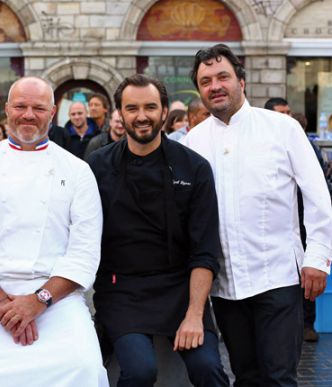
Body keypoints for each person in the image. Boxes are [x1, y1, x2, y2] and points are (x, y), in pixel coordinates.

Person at [183, 43, 332, 386]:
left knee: (279, 376)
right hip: (226, 285)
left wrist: (318, 258)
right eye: (206, 81)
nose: (215, 86)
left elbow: (317, 196)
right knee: (246, 376)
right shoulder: (194, 142)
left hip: (277, 276)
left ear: (241, 81)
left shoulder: (283, 129)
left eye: (223, 76)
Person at [0, 76, 108, 386]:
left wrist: (37, 302)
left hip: (57, 301)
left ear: (52, 112)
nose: (28, 114)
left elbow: (84, 251)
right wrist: (4, 306)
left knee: (84, 369)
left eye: (38, 107)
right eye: (20, 106)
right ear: (6, 109)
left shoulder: (76, 171)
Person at [88, 74, 229, 387]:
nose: (142, 116)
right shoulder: (97, 167)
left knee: (209, 370)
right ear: (120, 114)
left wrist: (194, 315)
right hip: (121, 291)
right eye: (132, 108)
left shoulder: (194, 167)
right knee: (140, 371)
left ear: (164, 111)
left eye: (150, 107)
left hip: (181, 291)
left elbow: (205, 252)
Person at [268, 104, 327, 343]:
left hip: (302, 221)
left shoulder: (304, 143)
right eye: (281, 113)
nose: (287, 118)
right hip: (276, 227)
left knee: (306, 274)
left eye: (288, 113)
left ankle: (306, 324)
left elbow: (317, 189)